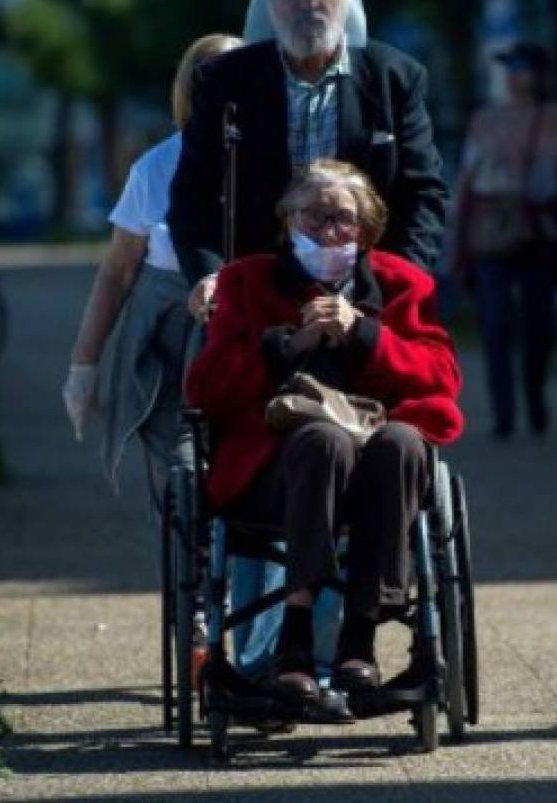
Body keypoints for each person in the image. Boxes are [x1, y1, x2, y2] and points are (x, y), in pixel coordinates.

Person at [184, 159, 463, 709]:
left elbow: (442, 378)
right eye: (314, 215)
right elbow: (206, 388)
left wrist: (365, 335)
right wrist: (285, 346)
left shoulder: (404, 284)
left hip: (379, 475)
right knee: (322, 440)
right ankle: (294, 641)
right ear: (286, 219)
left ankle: (359, 643)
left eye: (344, 219)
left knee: (403, 442)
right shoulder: (245, 282)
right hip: (273, 473)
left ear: (367, 230)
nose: (329, 230)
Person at [169, 0, 449, 324]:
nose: (308, 0)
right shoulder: (224, 82)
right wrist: (210, 276)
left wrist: (397, 282)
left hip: (367, 301)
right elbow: (192, 197)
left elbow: (423, 194)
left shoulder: (395, 78)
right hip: (255, 297)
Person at [62, 33, 242, 506]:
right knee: (180, 475)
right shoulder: (155, 169)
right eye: (210, 77)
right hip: (170, 342)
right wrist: (83, 366)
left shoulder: (272, 159)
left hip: (251, 336)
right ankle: (190, 558)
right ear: (189, 89)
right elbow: (117, 273)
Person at [453, 41, 557, 437]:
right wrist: (457, 234)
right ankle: (503, 415)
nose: (513, 74)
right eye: (508, 66)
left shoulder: (554, 120)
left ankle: (535, 399)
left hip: (538, 232)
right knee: (494, 324)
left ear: (539, 73)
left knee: (539, 325)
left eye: (521, 66)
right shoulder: (484, 119)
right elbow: (465, 181)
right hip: (492, 231)